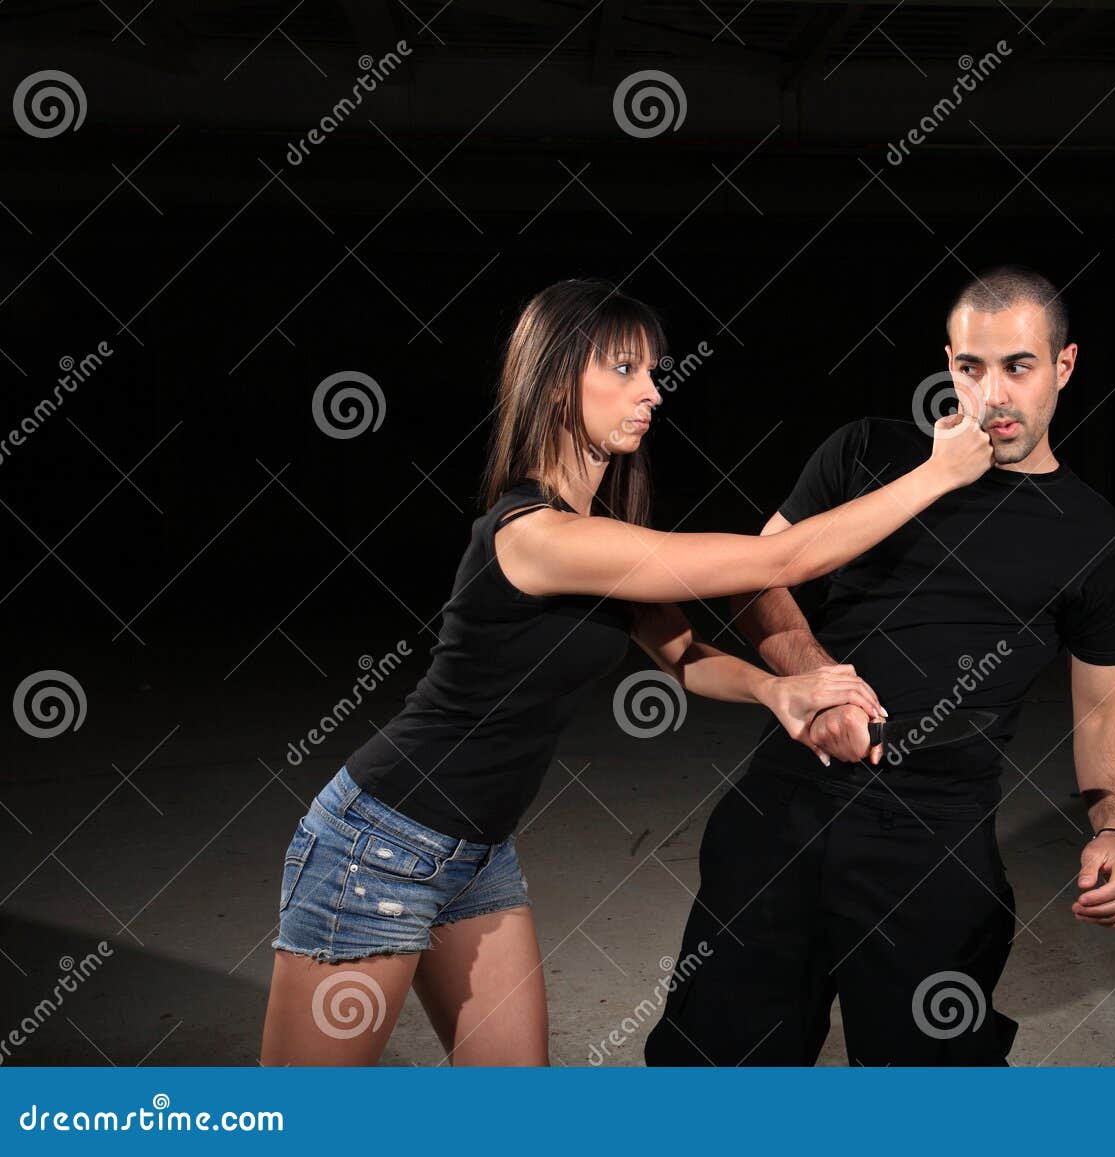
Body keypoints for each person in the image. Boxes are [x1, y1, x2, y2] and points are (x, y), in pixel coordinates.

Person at [258, 276, 994, 1065]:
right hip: (379, 844)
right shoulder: (536, 537)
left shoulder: (597, 533)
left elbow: (684, 659)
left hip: (477, 855)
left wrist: (775, 687)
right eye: (624, 370)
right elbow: (782, 557)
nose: (652, 392)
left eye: (653, 371)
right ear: (554, 379)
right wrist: (937, 473)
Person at [645, 265, 1115, 1066]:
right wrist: (814, 682)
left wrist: (1113, 827)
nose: (994, 395)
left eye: (1019, 366)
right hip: (789, 796)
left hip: (934, 828)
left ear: (1065, 365)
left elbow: (1103, 707)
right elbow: (760, 573)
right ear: (947, 362)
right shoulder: (869, 451)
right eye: (970, 367)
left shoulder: (1098, 538)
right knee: (714, 1067)